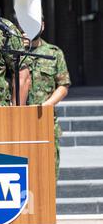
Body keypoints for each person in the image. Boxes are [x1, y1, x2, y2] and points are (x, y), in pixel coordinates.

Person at [22, 19, 71, 179]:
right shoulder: (13, 54)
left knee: (48, 175)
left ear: (42, 25)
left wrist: (46, 105)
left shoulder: (53, 52)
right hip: (19, 122)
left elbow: (63, 85)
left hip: (45, 120)